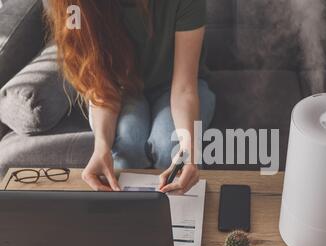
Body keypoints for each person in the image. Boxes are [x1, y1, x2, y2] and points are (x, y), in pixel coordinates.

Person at [46, 0, 215, 193]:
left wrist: (189, 152)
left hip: (177, 84)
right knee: (127, 145)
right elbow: (102, 87)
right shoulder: (75, 7)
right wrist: (102, 146)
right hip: (120, 88)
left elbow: (184, 88)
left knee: (170, 148)